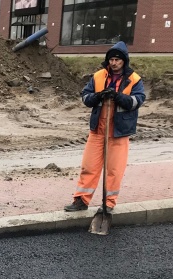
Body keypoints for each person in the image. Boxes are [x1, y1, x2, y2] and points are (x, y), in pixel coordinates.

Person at [63, 41, 145, 213]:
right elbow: (85, 97)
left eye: (117, 59)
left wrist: (118, 96)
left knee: (114, 170)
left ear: (124, 61)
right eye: (111, 59)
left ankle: (109, 203)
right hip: (98, 131)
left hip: (119, 132)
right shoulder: (99, 76)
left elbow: (137, 101)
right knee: (89, 166)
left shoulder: (134, 80)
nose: (113, 63)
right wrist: (99, 96)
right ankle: (81, 200)